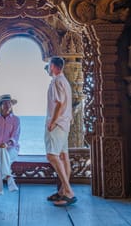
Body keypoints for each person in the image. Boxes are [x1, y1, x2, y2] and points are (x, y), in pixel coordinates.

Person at [44, 56, 77, 207]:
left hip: (58, 124)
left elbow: (59, 103)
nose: (49, 68)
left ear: (54, 67)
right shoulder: (65, 82)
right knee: (64, 156)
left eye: (50, 66)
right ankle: (63, 191)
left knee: (52, 155)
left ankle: (68, 191)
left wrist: (52, 122)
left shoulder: (57, 81)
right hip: (65, 124)